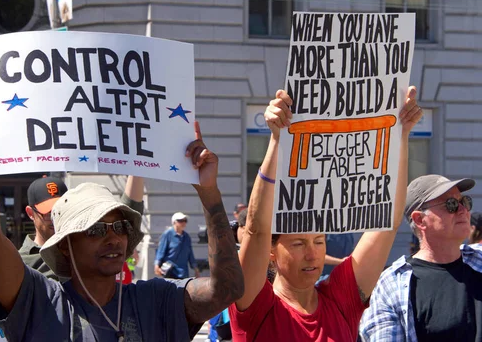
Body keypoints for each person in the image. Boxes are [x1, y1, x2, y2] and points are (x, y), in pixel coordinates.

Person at [0, 67, 244, 341]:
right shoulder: (41, 301)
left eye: (118, 226)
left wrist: (209, 193)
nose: (112, 237)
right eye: (95, 229)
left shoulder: (155, 299)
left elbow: (226, 289)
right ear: (65, 244)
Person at [229, 87, 422, 341]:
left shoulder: (342, 298)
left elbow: (387, 222)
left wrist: (400, 135)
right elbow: (256, 228)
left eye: (319, 241)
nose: (312, 254)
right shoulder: (256, 305)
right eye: (298, 243)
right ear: (271, 251)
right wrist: (277, 140)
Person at [360, 173, 481, 341]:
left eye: (464, 202)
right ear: (419, 219)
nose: (463, 210)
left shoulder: (479, 260)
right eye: (451, 204)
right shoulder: (393, 284)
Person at [21, 174, 144, 280]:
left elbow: (128, 212)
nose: (55, 219)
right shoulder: (20, 263)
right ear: (31, 213)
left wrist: (136, 165)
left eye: (62, 212)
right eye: (49, 214)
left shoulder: (86, 245)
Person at [154, 212, 201, 279]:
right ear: (174, 222)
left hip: (183, 273)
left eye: (185, 221)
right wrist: (157, 265)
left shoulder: (187, 237)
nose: (184, 223)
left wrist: (196, 269)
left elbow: (190, 254)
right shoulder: (167, 234)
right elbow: (161, 251)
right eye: (181, 221)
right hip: (170, 272)